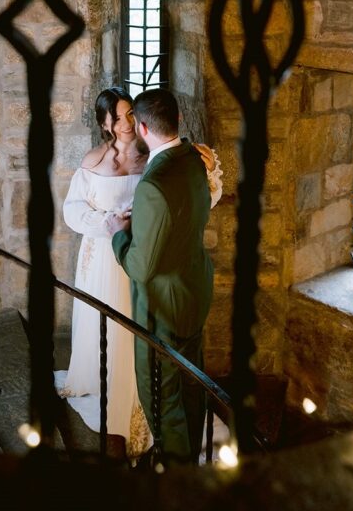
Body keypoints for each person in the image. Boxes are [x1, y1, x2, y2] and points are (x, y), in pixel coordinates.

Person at [54, 86, 221, 461]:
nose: (126, 123)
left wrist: (131, 228)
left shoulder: (158, 163)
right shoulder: (96, 161)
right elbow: (73, 211)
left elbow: (174, 210)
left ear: (143, 124)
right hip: (109, 262)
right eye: (117, 117)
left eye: (131, 115)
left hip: (143, 265)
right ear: (104, 123)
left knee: (155, 359)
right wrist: (110, 223)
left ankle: (171, 451)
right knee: (118, 334)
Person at [110, 88, 215, 465]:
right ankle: (190, 453)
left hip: (163, 305)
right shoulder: (195, 158)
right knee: (192, 381)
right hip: (195, 289)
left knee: (160, 392)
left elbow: (140, 266)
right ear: (178, 121)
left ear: (140, 127)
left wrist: (118, 234)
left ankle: (177, 470)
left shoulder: (152, 185)